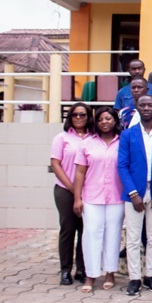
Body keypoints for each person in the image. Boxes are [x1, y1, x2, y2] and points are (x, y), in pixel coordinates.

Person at [118, 95, 152, 296]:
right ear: (137, 108)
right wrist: (133, 193)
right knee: (132, 238)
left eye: (151, 105)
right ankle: (134, 278)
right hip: (134, 194)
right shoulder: (128, 135)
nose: (147, 108)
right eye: (143, 105)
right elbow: (122, 165)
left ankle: (150, 275)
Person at [72, 107, 124, 294]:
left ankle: (110, 273)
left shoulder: (122, 142)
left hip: (116, 197)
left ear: (115, 121)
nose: (104, 122)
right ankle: (91, 275)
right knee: (91, 234)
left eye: (108, 118)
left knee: (113, 234)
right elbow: (79, 172)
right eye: (101, 119)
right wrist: (77, 198)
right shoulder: (87, 143)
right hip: (91, 197)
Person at [51, 102, 92, 286]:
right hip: (65, 189)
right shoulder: (62, 138)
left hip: (88, 191)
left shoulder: (93, 137)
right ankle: (66, 270)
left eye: (82, 115)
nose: (78, 118)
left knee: (85, 230)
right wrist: (71, 187)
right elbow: (55, 164)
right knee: (68, 229)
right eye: (75, 115)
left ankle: (82, 269)